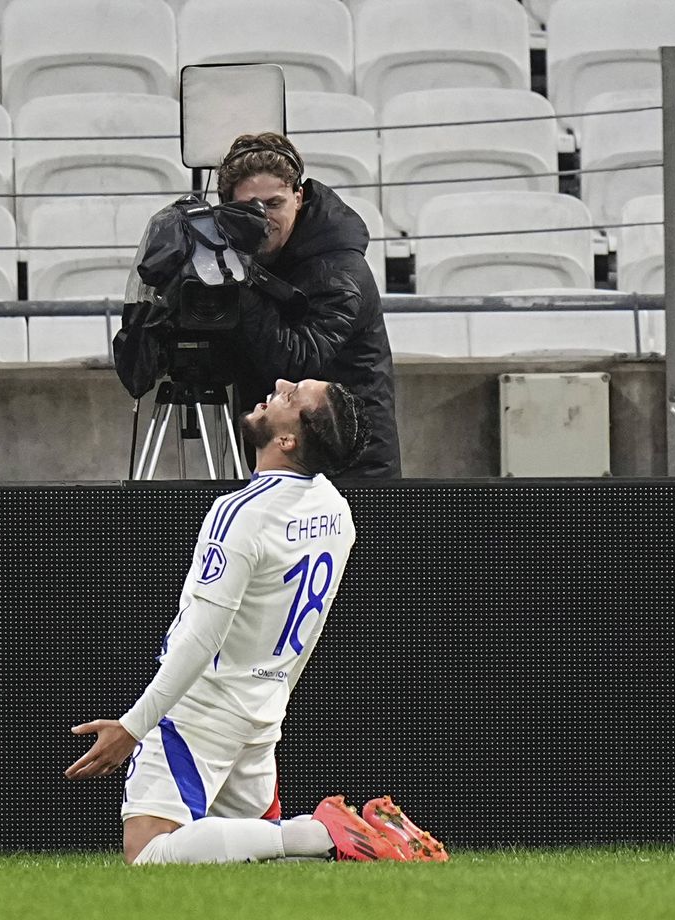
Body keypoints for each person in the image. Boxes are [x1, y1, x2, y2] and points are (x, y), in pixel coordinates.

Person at [65, 378, 444, 865]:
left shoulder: (240, 512)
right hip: (260, 712)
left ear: (287, 441)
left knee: (149, 854)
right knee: (263, 863)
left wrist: (133, 726)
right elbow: (311, 632)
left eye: (291, 396)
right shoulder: (336, 510)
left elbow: (202, 638)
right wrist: (273, 703)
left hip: (201, 710)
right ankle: (372, 843)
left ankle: (320, 832)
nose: (280, 385)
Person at [218, 132, 401, 478]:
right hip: (281, 458)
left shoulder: (340, 269)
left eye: (274, 204)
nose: (263, 220)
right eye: (247, 209)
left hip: (350, 468)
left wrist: (241, 285)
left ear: (298, 198)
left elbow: (297, 361)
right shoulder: (244, 259)